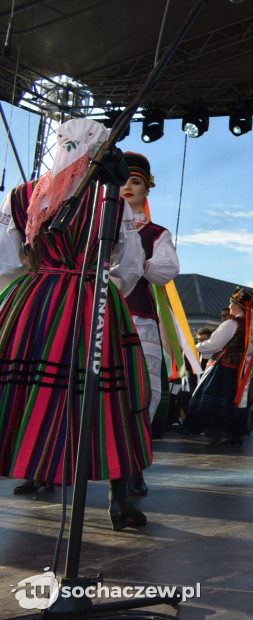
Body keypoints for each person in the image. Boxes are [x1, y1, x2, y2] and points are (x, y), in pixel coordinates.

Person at [0, 118, 150, 530]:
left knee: (14, 388)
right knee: (109, 398)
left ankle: (31, 463)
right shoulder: (109, 202)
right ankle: (120, 502)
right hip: (90, 298)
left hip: (33, 301)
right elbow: (131, 266)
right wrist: (100, 292)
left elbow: (7, 261)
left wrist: (27, 291)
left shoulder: (21, 196)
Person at [119, 152, 180, 495]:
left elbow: (165, 270)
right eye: (122, 180)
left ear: (147, 190)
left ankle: (132, 466)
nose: (127, 186)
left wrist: (135, 259)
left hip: (137, 320)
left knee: (138, 392)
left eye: (136, 181)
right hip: (97, 317)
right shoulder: (95, 228)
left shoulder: (155, 232)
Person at [188, 288, 253, 447]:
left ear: (237, 305)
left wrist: (195, 345)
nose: (229, 306)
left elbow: (214, 344)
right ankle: (234, 434)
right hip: (237, 368)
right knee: (231, 400)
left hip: (224, 366)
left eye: (231, 303)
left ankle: (223, 434)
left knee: (216, 400)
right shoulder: (248, 325)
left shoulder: (231, 323)